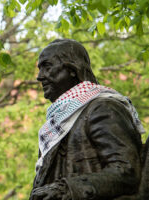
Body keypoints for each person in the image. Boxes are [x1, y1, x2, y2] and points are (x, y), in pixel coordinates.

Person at [30, 39, 146, 200]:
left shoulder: (103, 108)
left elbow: (126, 171)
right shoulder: (57, 123)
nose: (39, 77)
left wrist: (67, 190)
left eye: (47, 67)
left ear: (72, 69)